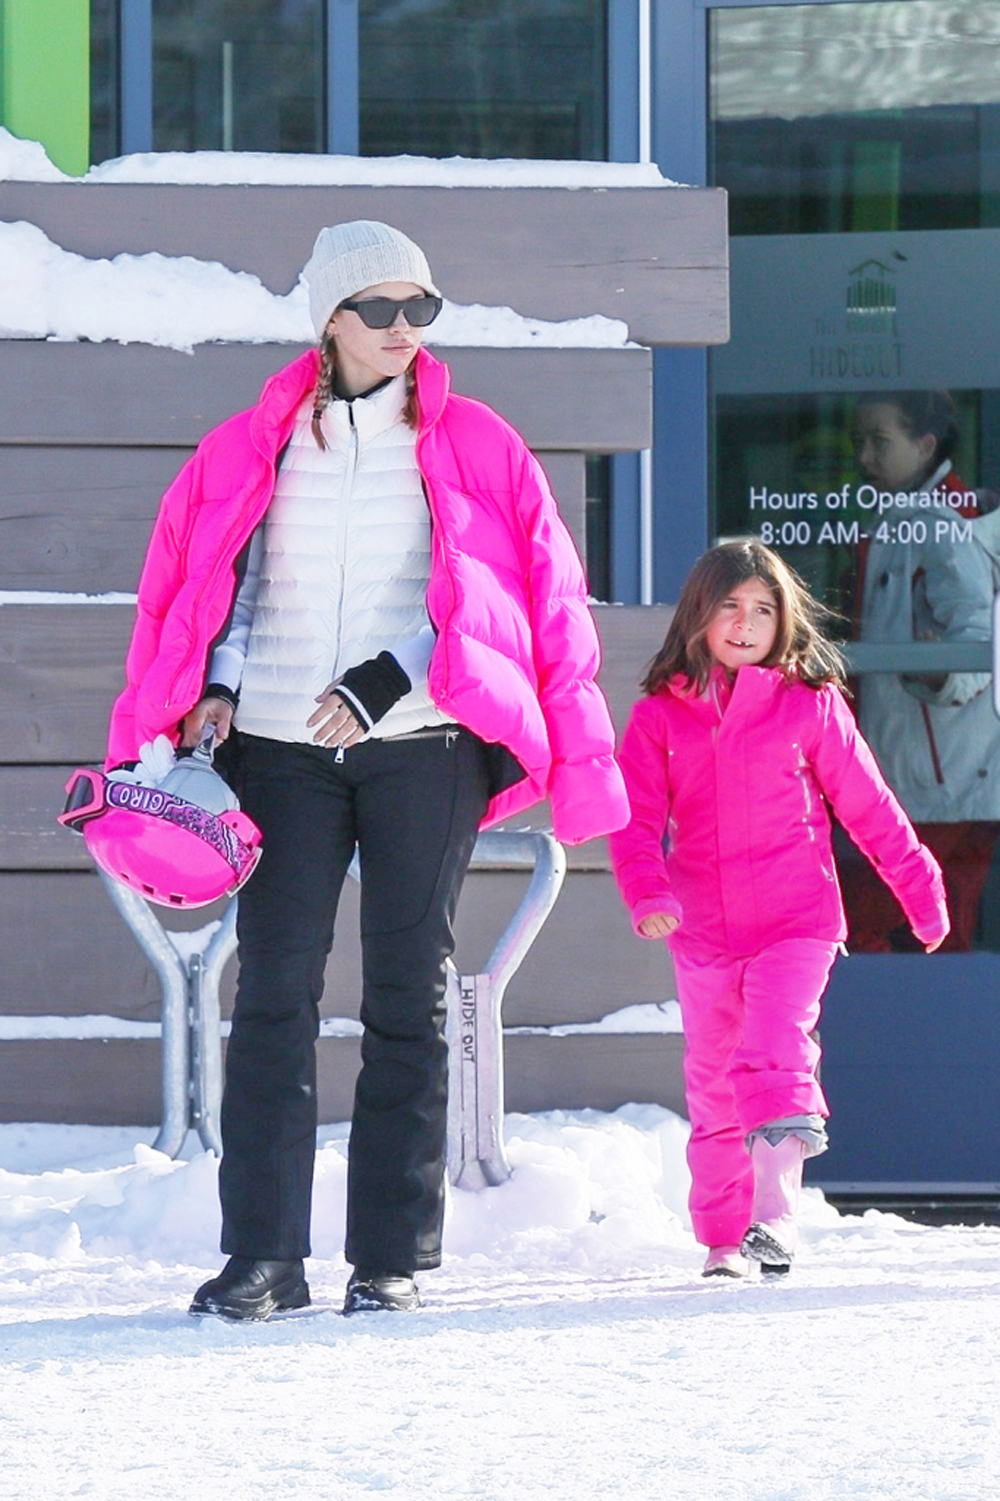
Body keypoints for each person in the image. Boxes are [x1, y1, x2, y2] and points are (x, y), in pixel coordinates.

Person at [105, 220, 629, 1319]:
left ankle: (389, 1257)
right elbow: (227, 587)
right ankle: (262, 1257)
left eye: (420, 310)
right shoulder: (252, 445)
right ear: (329, 320)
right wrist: (217, 682)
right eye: (381, 309)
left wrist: (390, 681)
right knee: (273, 997)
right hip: (278, 753)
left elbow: (506, 603)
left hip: (423, 747)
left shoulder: (476, 442)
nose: (404, 330)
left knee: (406, 997)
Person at [608, 538, 949, 1280]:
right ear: (698, 614)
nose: (744, 621)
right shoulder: (660, 719)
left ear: (783, 621)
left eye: (762, 608)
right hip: (702, 929)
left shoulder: (809, 706)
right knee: (715, 1076)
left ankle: (777, 1216)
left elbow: (869, 807)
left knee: (775, 1044)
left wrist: (918, 886)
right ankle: (725, 1238)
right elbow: (634, 822)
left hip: (798, 921)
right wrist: (649, 892)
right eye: (729, 605)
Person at [847, 390, 1000, 951]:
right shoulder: (912, 518)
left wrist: (940, 673)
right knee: (944, 939)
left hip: (937, 784)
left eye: (879, 441)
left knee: (863, 925)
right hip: (940, 779)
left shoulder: (942, 525)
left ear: (926, 445)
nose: (864, 456)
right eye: (859, 441)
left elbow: (979, 637)